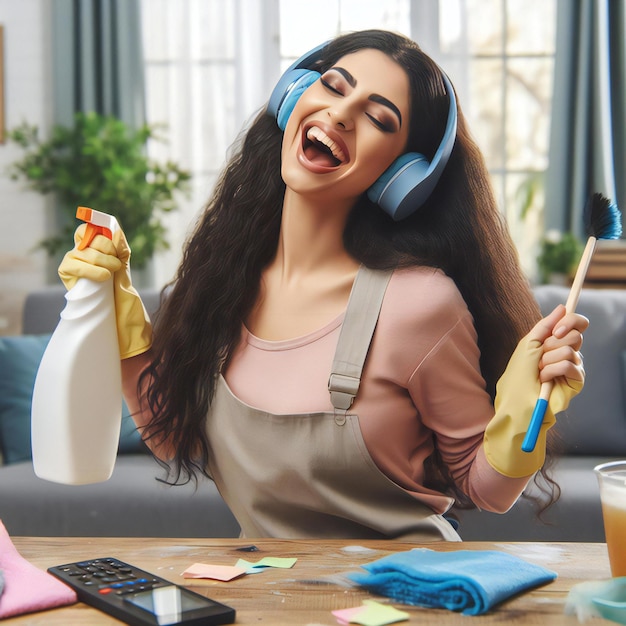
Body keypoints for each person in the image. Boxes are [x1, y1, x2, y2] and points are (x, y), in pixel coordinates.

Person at [59, 29, 588, 540]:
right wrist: (118, 313)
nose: (340, 113)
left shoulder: (418, 304)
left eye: (378, 117)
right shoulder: (221, 286)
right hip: (268, 595)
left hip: (406, 597)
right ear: (293, 98)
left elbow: (487, 490)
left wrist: (525, 411)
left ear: (403, 175)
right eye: (334, 86)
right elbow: (173, 438)